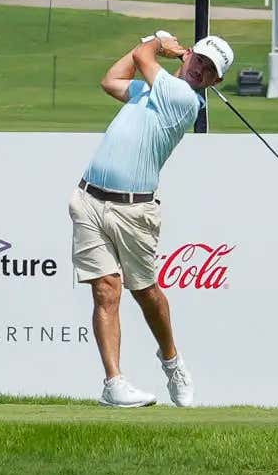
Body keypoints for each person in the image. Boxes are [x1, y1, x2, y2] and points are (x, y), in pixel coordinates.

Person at [70, 28, 234, 408]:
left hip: (135, 210)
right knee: (105, 290)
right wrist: (152, 45)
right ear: (189, 57)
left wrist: (160, 43)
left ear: (215, 81)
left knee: (145, 292)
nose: (201, 70)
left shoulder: (185, 100)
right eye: (200, 60)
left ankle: (173, 362)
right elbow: (111, 80)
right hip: (89, 200)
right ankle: (114, 383)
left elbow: (145, 60)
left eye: (210, 70)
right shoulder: (151, 91)